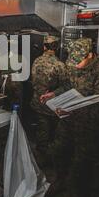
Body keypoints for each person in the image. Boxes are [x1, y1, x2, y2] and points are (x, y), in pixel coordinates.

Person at [45, 37, 99, 197]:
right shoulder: (75, 64)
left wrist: (72, 106)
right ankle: (60, 180)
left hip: (90, 123)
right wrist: (54, 94)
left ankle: (77, 194)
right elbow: (70, 86)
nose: (75, 65)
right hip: (69, 117)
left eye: (79, 61)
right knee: (58, 149)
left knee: (82, 160)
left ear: (90, 55)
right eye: (73, 61)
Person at [30, 35, 69, 166]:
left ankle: (40, 157)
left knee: (42, 130)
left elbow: (34, 81)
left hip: (37, 103)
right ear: (57, 48)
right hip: (52, 106)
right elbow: (66, 86)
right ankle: (51, 159)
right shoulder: (59, 65)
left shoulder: (36, 61)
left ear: (44, 47)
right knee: (53, 133)